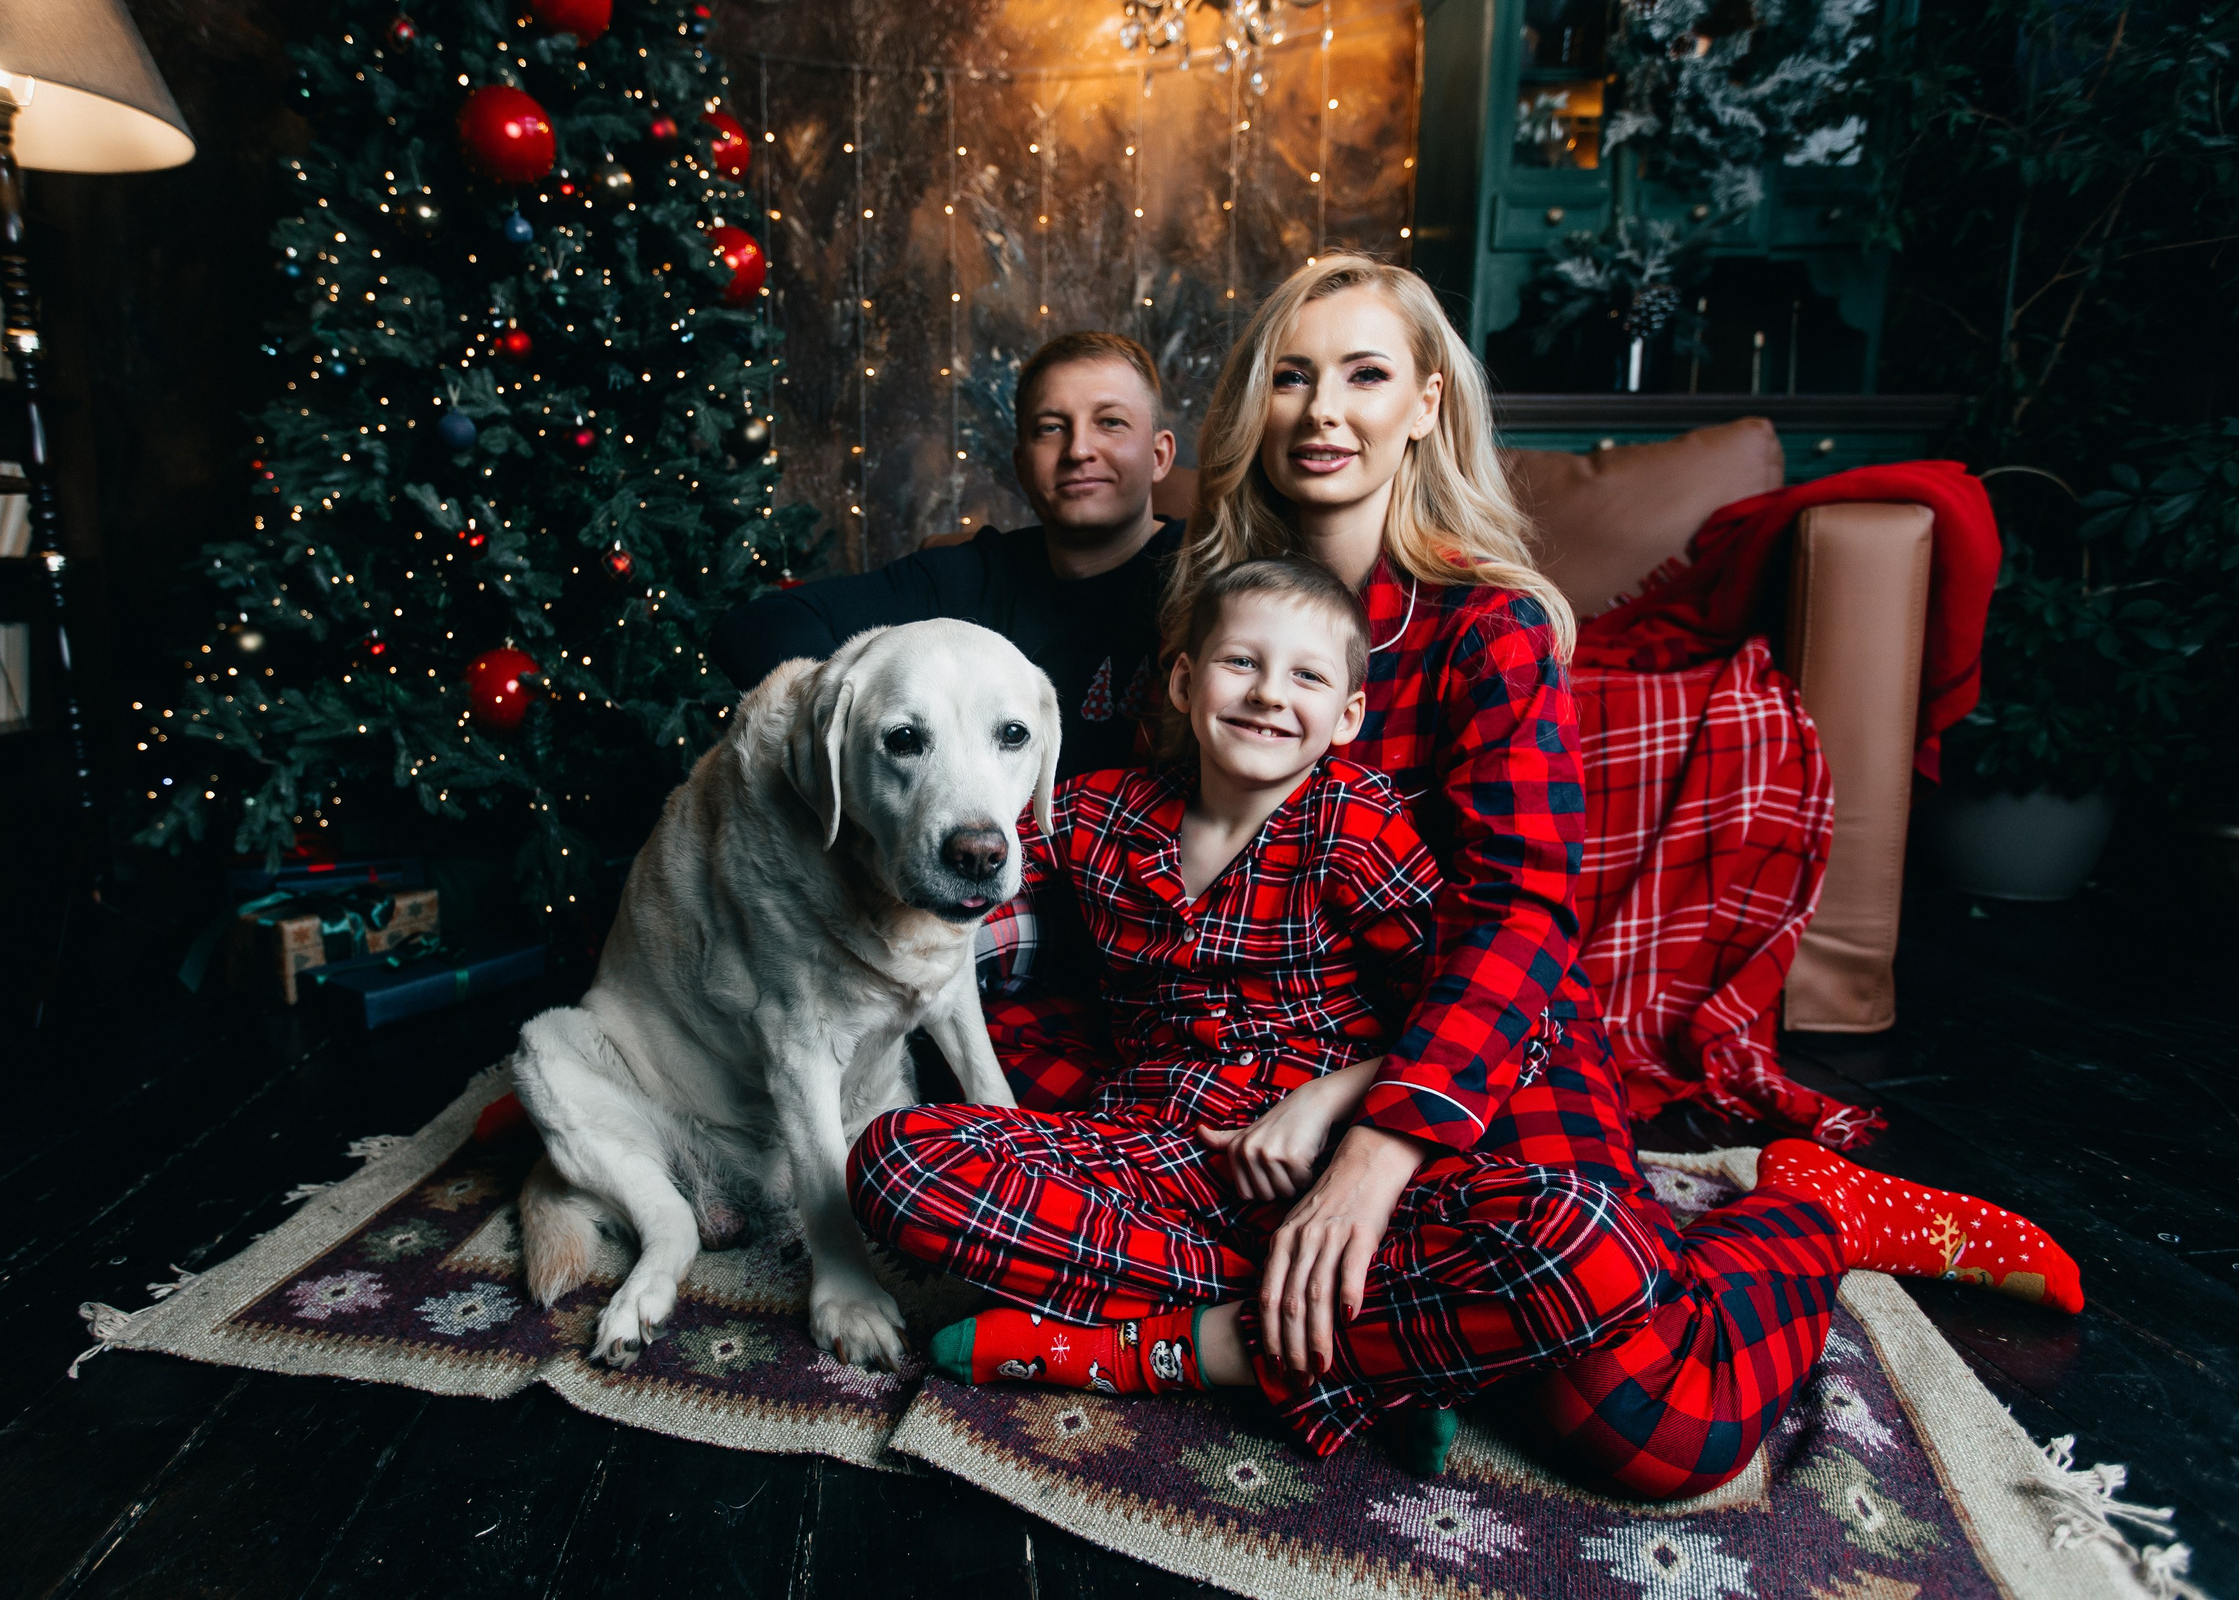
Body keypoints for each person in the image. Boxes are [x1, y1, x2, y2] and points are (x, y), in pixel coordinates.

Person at [850, 253, 2082, 1500]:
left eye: (1363, 376)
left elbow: (1520, 910)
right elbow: (1104, 845)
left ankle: (1803, 1212)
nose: (1322, 411)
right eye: (1290, 377)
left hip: (1457, 1045)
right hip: (1220, 1053)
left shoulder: (1486, 626)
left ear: (1425, 404)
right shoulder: (1199, 603)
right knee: (923, 1159)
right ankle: (1393, 1329)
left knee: (1652, 1430)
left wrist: (1382, 1143)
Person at [711, 331, 1184, 780]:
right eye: (1051, 428)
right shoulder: (973, 576)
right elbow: (754, 629)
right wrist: (867, 707)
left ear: (1160, 456)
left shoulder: (1208, 569)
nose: (1079, 449)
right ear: (1022, 466)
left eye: (1111, 422)